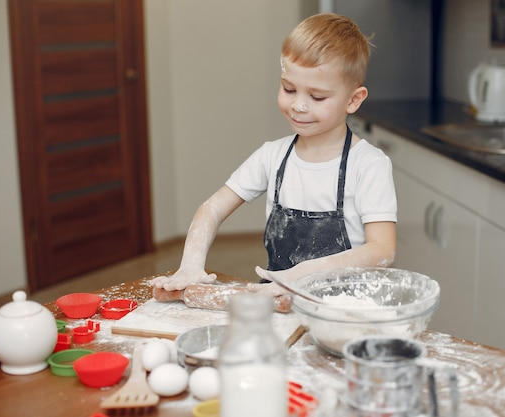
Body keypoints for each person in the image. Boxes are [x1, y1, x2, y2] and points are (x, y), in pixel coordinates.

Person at [151, 13, 397, 296]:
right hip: (278, 301)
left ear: (353, 99)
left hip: (342, 312)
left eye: (317, 97)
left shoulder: (368, 165)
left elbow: (383, 249)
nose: (299, 106)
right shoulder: (272, 156)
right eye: (289, 89)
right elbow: (211, 209)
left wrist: (306, 273)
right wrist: (190, 266)